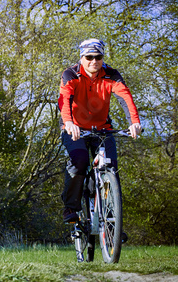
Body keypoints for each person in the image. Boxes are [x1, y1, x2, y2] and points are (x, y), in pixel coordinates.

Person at [58, 38, 142, 223]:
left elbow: (125, 98)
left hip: (102, 129)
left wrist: (134, 122)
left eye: (98, 57)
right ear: (82, 57)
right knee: (79, 161)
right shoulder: (71, 74)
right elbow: (64, 99)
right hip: (75, 128)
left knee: (111, 167)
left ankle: (113, 221)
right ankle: (71, 209)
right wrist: (69, 122)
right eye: (89, 57)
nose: (94, 61)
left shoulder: (111, 74)